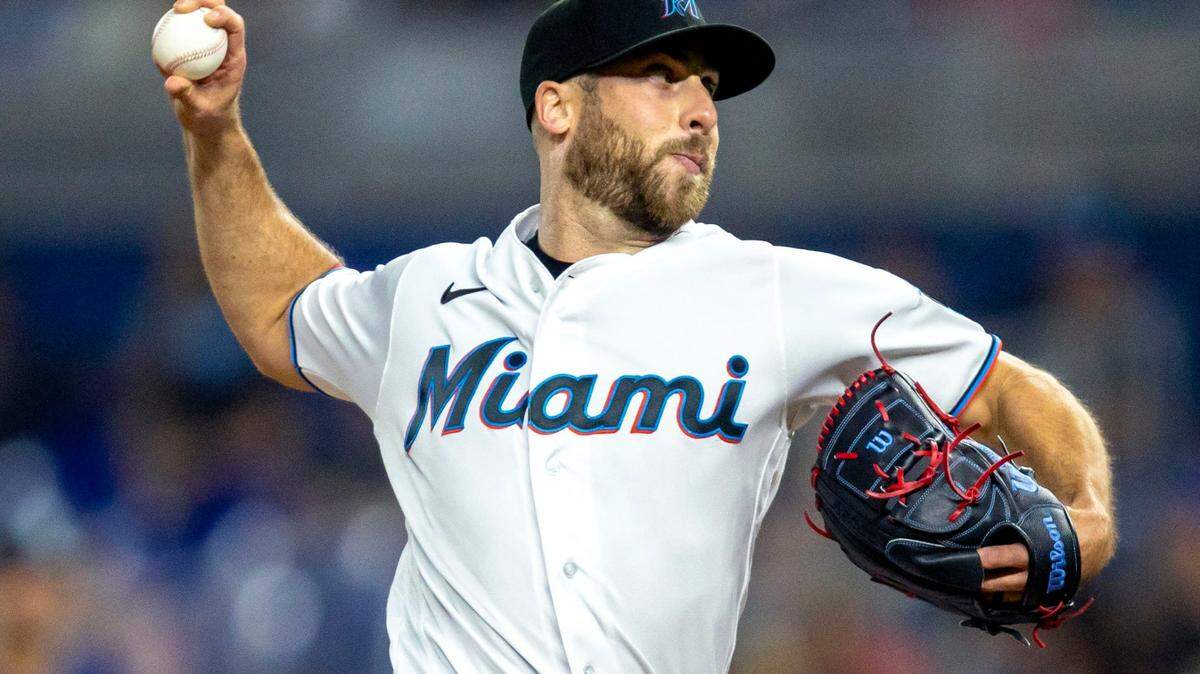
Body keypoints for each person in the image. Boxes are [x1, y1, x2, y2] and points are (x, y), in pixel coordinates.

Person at [159, 0, 1116, 671]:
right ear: (558, 107)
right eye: (660, 77)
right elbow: (281, 312)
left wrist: (1089, 515)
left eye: (705, 87)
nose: (701, 108)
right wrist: (216, 134)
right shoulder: (427, 296)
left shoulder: (773, 291)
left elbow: (1006, 386)